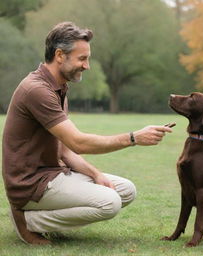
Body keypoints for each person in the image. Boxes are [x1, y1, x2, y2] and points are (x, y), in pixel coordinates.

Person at [2, 22, 173, 245]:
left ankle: (41, 219)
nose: (87, 66)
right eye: (82, 59)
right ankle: (29, 221)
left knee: (125, 191)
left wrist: (95, 174)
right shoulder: (37, 90)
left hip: (54, 174)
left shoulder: (59, 86)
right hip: (30, 184)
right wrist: (133, 138)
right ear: (60, 55)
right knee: (110, 202)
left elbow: (65, 148)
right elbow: (79, 142)